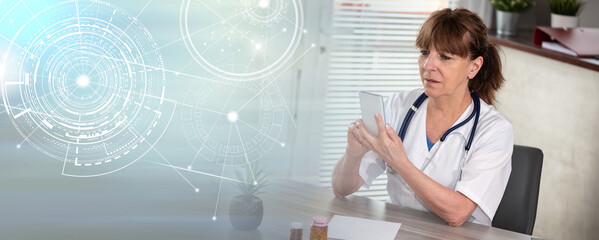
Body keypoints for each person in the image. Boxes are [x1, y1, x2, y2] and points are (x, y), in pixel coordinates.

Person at [331, 8, 513, 227]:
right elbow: (341, 189)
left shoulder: (494, 130)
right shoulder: (399, 107)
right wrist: (353, 155)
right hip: (399, 232)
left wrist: (398, 161)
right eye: (425, 52)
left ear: (473, 67)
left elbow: (458, 214)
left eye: (445, 57)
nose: (428, 66)